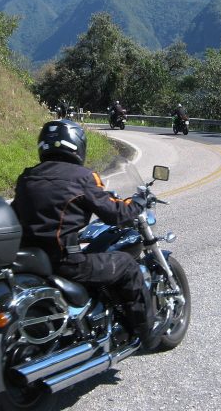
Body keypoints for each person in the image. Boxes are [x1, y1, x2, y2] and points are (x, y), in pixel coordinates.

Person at [12, 119, 162, 349]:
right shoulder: (83, 177)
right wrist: (138, 201)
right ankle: (148, 334)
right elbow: (116, 214)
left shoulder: (27, 177)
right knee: (127, 265)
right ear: (77, 145)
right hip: (66, 263)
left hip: (32, 262)